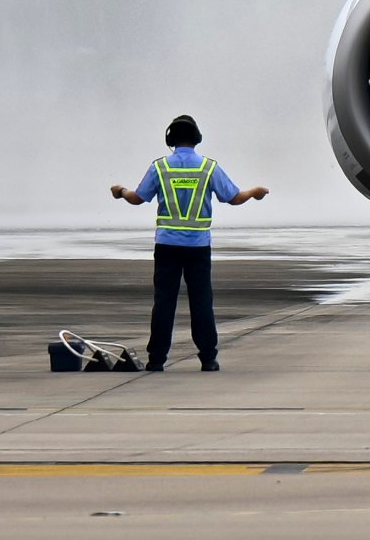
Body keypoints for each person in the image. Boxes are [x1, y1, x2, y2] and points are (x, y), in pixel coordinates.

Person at [109, 115, 267, 373]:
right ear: (197, 138)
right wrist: (255, 193)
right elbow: (234, 197)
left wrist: (121, 191)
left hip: (167, 247)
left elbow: (138, 198)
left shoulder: (159, 168)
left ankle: (157, 359)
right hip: (198, 247)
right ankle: (208, 358)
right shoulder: (208, 167)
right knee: (202, 302)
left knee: (164, 303)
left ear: (170, 139)